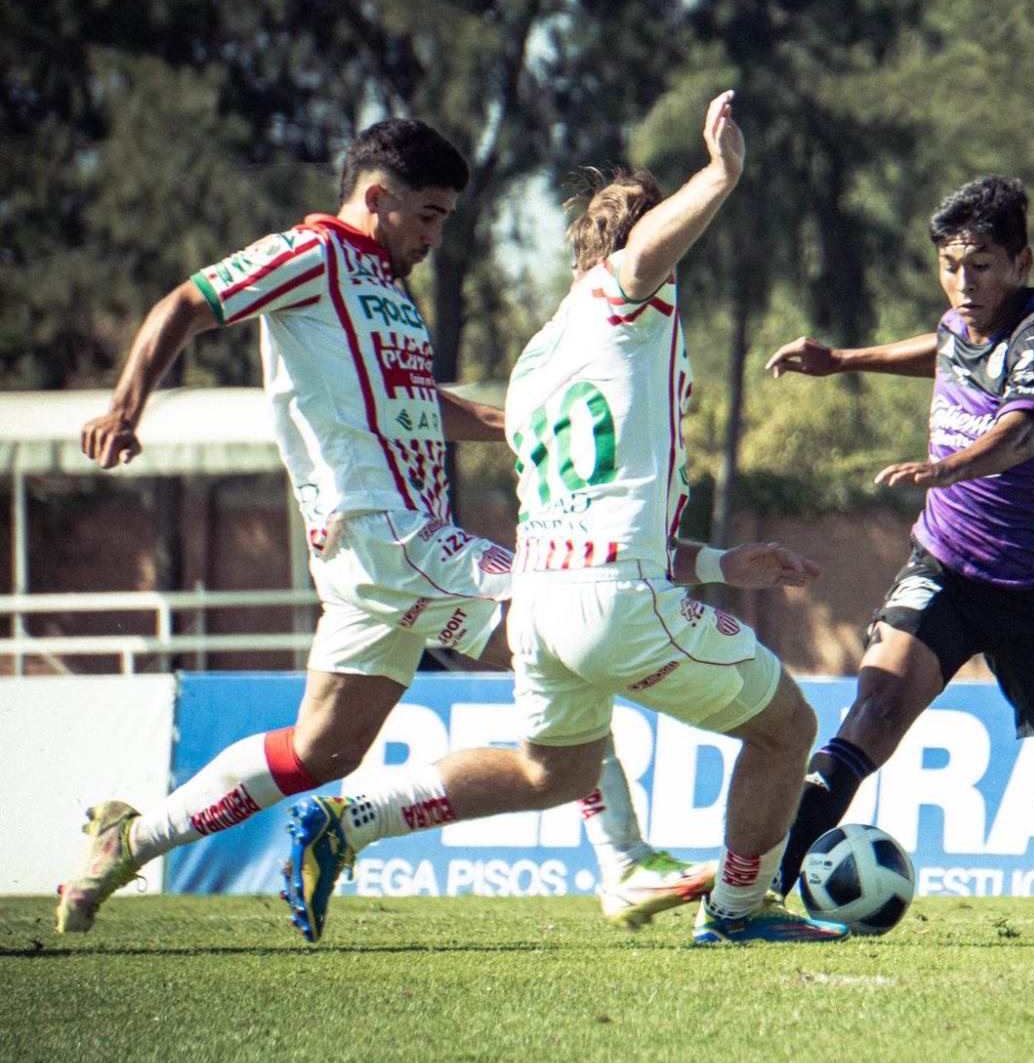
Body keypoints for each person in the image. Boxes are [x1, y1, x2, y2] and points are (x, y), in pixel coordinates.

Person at [55, 119, 703, 935]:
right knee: (568, 620)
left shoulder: (385, 288)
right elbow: (189, 301)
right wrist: (126, 403)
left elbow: (415, 408)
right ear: (377, 197)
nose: (434, 236)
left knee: (322, 750)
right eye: (427, 216)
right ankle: (625, 863)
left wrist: (524, 423)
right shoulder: (314, 253)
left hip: (384, 552)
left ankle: (131, 837)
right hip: (387, 533)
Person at [282, 90, 847, 945]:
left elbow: (603, 509)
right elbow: (644, 254)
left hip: (545, 601)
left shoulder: (541, 356)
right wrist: (721, 174)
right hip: (613, 599)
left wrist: (726, 564)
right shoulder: (625, 298)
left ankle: (350, 820)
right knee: (788, 729)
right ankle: (737, 912)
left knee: (552, 770)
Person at [763, 175, 1034, 933]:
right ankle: (758, 889)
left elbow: (1024, 432)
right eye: (952, 265)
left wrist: (948, 468)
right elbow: (941, 350)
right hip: (946, 570)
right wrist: (841, 360)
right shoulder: (960, 322)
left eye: (984, 265)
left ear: (1022, 263)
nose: (965, 284)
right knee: (872, 711)